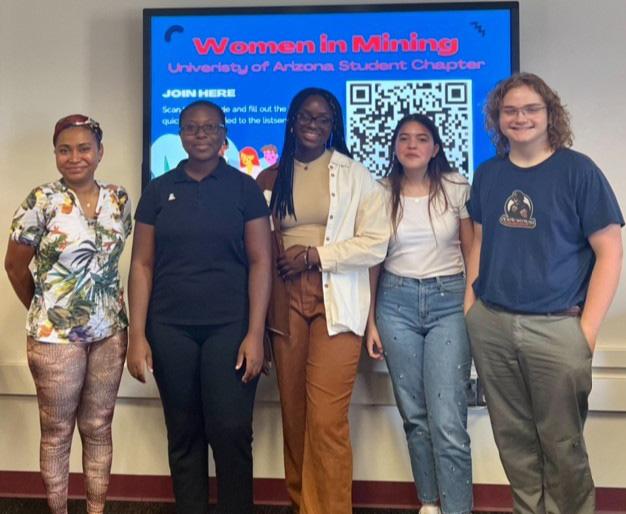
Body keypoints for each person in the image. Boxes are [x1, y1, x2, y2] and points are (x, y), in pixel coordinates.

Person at [464, 72, 623, 514]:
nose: (521, 118)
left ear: (550, 114)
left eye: (531, 109)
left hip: (557, 329)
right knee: (513, 441)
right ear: (497, 118)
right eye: (510, 110)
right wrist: (470, 308)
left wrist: (586, 332)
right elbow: (479, 240)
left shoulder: (578, 171)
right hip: (492, 325)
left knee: (562, 446)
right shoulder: (489, 173)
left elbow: (610, 251)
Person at [126, 100, 271, 514]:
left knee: (230, 430)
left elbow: (261, 262)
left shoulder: (244, 189)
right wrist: (138, 336)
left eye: (209, 127)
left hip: (231, 327)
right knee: (184, 433)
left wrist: (255, 334)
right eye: (191, 127)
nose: (201, 135)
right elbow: (141, 264)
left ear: (224, 133)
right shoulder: (158, 190)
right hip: (170, 328)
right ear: (181, 134)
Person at [256, 87, 389, 514]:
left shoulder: (356, 175)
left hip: (336, 296)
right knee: (294, 416)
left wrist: (316, 256)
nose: (313, 125)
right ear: (292, 121)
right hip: (284, 300)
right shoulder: (270, 178)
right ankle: (301, 505)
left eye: (323, 119)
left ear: (334, 126)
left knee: (326, 420)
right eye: (306, 117)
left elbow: (376, 244)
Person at [4, 114, 131, 514]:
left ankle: (96, 508)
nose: (74, 157)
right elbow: (14, 266)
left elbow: (111, 263)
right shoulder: (40, 200)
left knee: (98, 427)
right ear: (56, 155)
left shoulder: (119, 199)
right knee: (57, 431)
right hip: (54, 339)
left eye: (83, 148)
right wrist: (45, 310)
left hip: (110, 333)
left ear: (99, 153)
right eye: (64, 150)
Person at [366, 114, 474, 514]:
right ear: (395, 147)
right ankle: (429, 503)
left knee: (447, 420)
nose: (412, 145)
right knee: (414, 416)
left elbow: (471, 248)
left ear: (436, 148)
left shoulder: (456, 186)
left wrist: (469, 303)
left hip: (449, 302)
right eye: (404, 138)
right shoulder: (378, 192)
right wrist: (371, 320)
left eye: (422, 139)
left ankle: (458, 508)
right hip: (395, 304)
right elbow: (373, 260)